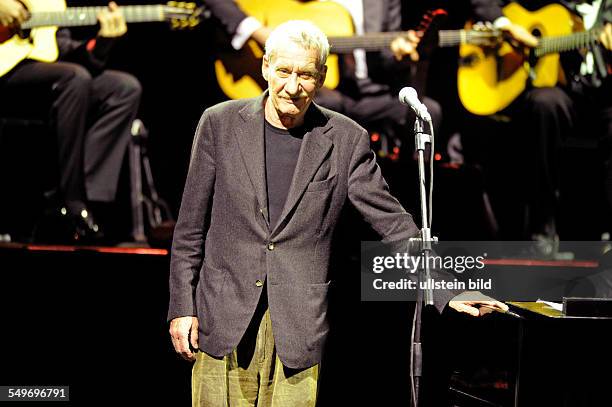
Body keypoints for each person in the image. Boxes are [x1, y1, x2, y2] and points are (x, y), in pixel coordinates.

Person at [168, 20, 507, 406]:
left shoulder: (345, 138)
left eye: (305, 75)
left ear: (323, 76)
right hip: (221, 322)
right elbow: (190, 229)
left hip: (297, 330)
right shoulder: (219, 123)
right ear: (265, 67)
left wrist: (446, 287)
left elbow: (393, 223)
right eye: (283, 71)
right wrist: (182, 307)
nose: (292, 86)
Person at [205, 0, 443, 148]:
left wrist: (399, 54)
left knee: (427, 111)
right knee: (326, 104)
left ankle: (408, 200)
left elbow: (386, 61)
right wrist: (256, 32)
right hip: (317, 91)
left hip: (369, 91)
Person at [469, 0, 611, 243]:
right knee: (544, 104)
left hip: (603, 92)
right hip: (558, 89)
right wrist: (507, 26)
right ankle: (542, 226)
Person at [0, 0, 142, 242]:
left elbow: (59, 50)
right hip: (7, 74)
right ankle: (70, 203)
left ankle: (84, 198)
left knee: (123, 89)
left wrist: (103, 43)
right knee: (75, 80)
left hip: (39, 75)